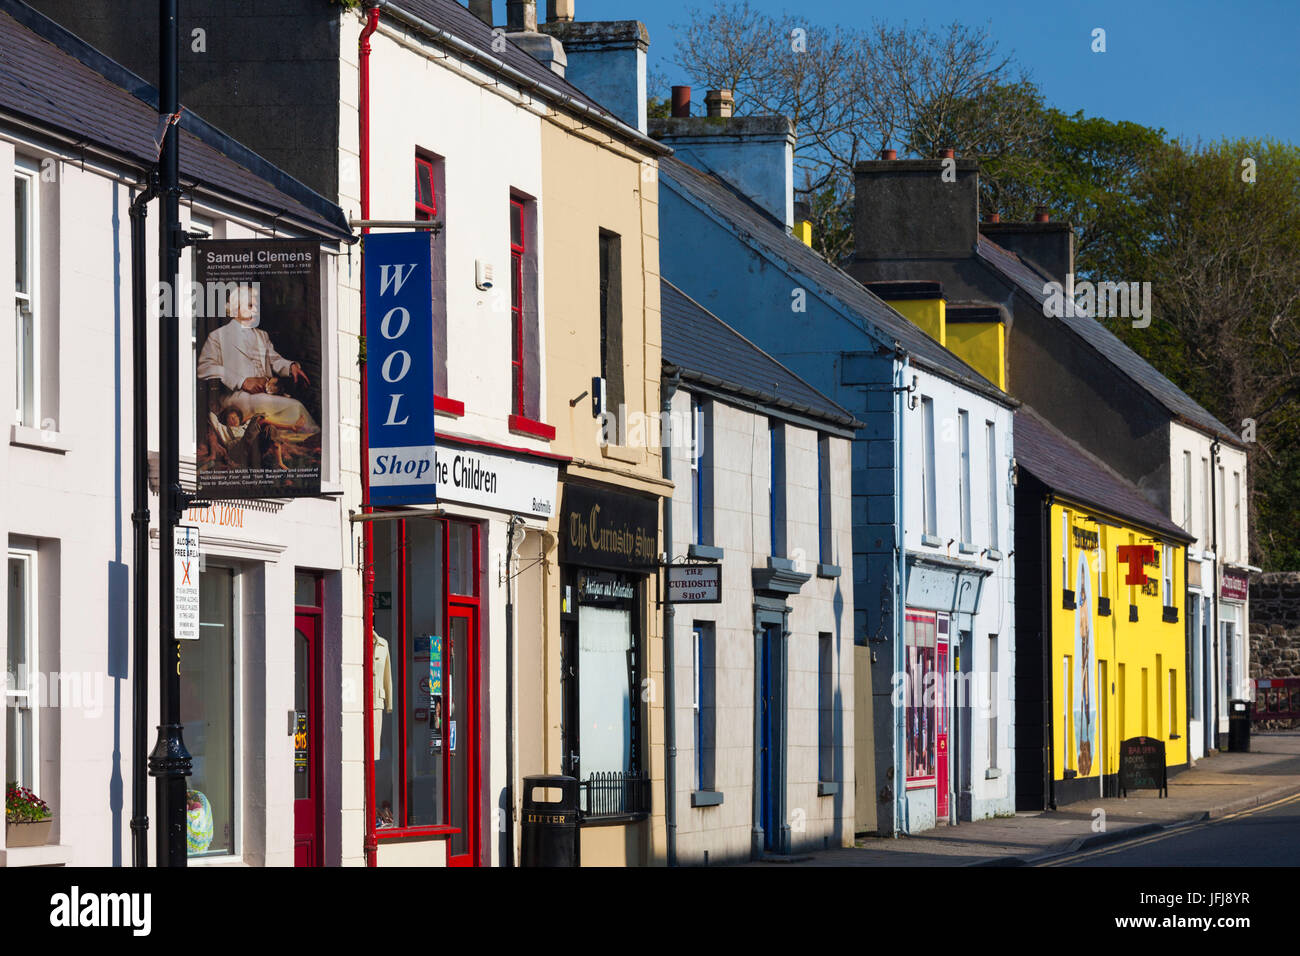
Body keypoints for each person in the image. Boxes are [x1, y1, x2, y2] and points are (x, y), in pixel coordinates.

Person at [196, 285, 319, 435]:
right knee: (295, 406)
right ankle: (310, 438)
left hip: (267, 392)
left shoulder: (262, 335)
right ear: (236, 307)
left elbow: (274, 359)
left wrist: (291, 366)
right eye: (250, 305)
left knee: (288, 407)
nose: (255, 310)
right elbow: (204, 368)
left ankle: (302, 441)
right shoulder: (218, 336)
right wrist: (242, 381)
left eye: (255, 306)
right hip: (237, 396)